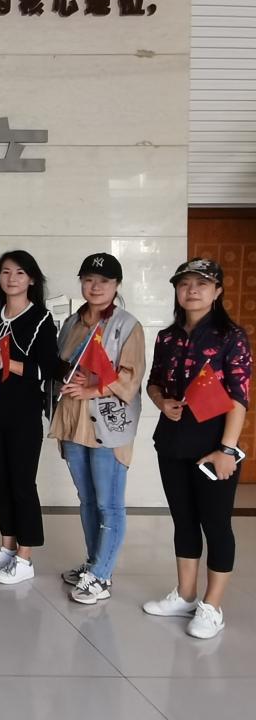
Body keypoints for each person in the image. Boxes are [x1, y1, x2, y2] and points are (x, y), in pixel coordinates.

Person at [142, 258, 251, 639]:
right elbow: (154, 382)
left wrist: (227, 450)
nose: (192, 291)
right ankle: (185, 595)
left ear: (217, 291)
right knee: (184, 521)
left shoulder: (230, 337)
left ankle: (211, 606)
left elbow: (239, 397)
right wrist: (162, 402)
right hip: (172, 442)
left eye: (202, 284)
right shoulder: (167, 337)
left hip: (212, 447)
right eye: (185, 284)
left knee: (216, 525)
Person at [51, 253, 145, 604]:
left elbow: (131, 377)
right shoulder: (71, 323)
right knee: (88, 499)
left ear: (116, 285)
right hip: (74, 423)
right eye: (89, 279)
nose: (95, 286)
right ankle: (94, 565)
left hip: (108, 425)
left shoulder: (127, 325)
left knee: (109, 503)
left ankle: (102, 575)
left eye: (104, 281)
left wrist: (92, 389)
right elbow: (61, 365)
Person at [0, 250, 59, 584]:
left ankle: (25, 557)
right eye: (5, 272)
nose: (11, 278)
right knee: (0, 483)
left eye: (20, 272)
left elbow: (48, 369)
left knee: (23, 485)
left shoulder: (40, 319)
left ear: (32, 279)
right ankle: (8, 545)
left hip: (23, 415)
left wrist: (6, 363)